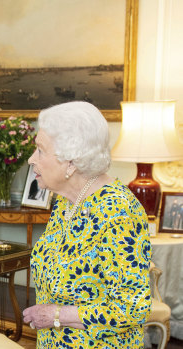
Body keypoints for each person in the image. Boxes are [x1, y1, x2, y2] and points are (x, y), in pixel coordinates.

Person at [22, 101, 151, 348]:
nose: (31, 159)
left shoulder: (118, 213)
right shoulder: (65, 202)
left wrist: (56, 315)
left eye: (40, 150)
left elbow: (133, 308)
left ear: (71, 161)